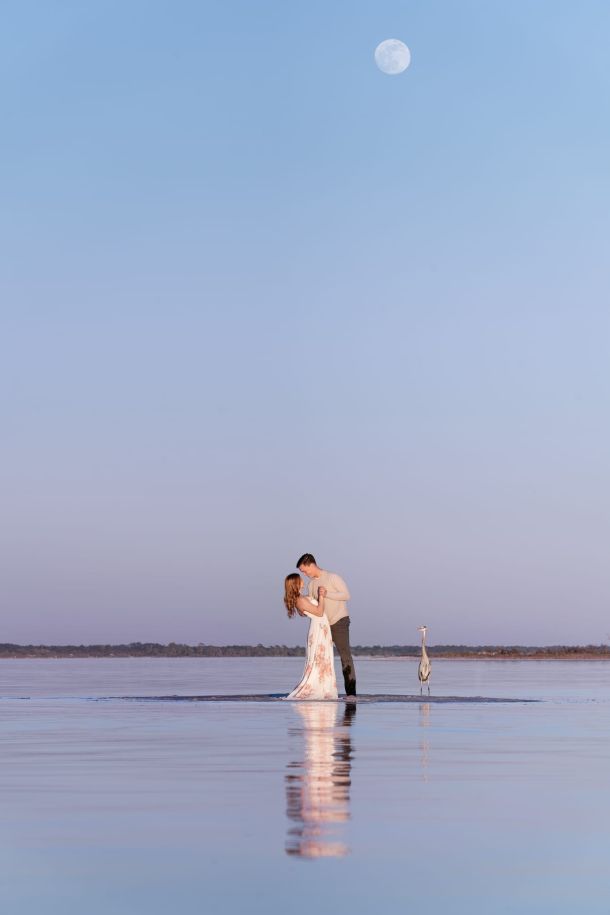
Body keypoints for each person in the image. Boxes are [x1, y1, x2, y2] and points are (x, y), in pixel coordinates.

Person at [296, 554, 356, 696]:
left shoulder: (332, 577)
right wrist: (300, 609)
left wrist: (327, 593)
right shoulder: (311, 585)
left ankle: (351, 694)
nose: (304, 574)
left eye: (304, 571)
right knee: (321, 659)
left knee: (345, 657)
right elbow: (312, 605)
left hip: (339, 621)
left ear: (311, 565)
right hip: (322, 628)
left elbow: (346, 595)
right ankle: (321, 691)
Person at [283, 573, 338, 700]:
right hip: (318, 629)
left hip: (322, 628)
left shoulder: (302, 598)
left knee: (324, 659)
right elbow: (319, 612)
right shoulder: (300, 600)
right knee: (318, 660)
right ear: (296, 583)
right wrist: (321, 596)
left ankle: (324, 689)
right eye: (300, 579)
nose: (303, 581)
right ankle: (317, 689)